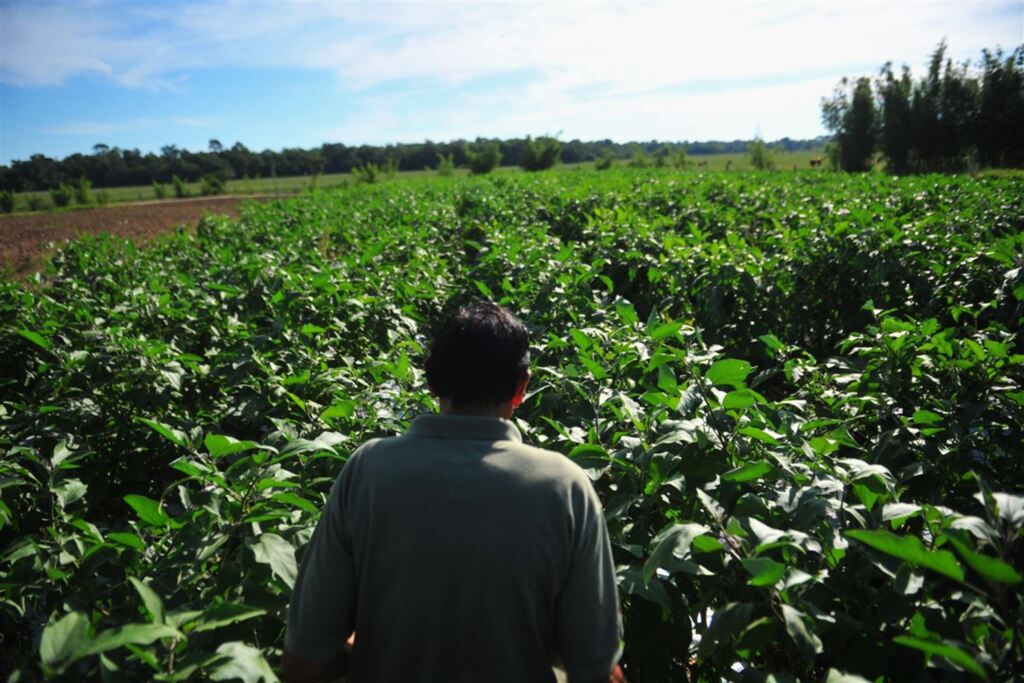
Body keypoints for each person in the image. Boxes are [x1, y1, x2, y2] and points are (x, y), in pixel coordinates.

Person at [282, 300, 625, 682]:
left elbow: (303, 665)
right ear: (522, 386)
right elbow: (595, 671)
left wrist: (363, 643)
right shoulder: (564, 486)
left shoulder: (368, 471)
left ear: (431, 380)